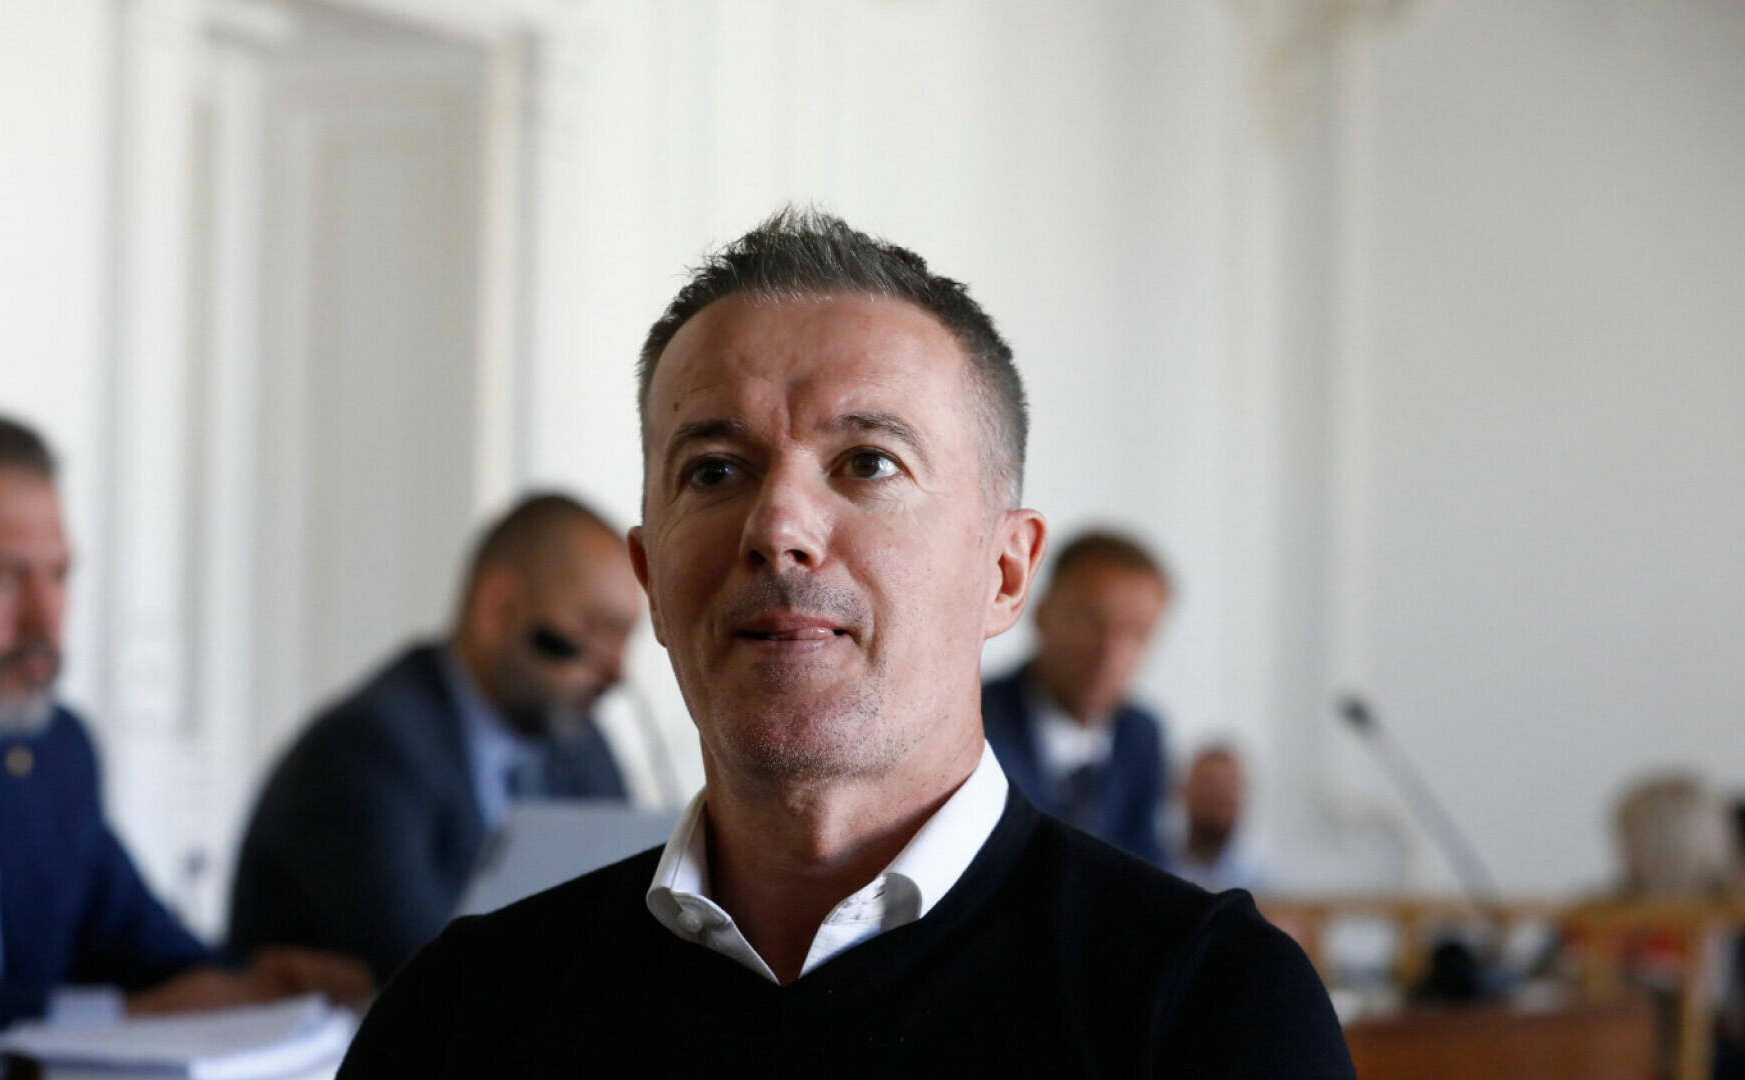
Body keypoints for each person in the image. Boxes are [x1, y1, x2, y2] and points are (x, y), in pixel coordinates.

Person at [338, 208, 1353, 1075]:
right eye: (713, 469)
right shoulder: (457, 1016)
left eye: (868, 463)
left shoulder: (1210, 1008)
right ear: (652, 581)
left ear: (1005, 574)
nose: (777, 525)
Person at [0, 414, 369, 1037]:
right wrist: (112, 1014)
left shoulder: (57, 749)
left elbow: (137, 936)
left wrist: (249, 983)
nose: (44, 617)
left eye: (58, 575)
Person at [228, 494, 640, 983]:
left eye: (625, 639)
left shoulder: (581, 746)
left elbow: (626, 923)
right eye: (595, 630)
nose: (616, 671)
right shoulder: (367, 751)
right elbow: (430, 977)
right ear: (498, 608)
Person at [982, 530, 1172, 864]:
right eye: (1092, 622)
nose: (1111, 653)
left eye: (1136, 632)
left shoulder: (1141, 737)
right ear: (1041, 614)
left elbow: (1149, 866)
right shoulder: (976, 724)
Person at [1169, 744, 1261, 893]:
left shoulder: (1262, 885)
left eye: (1227, 789)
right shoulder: (1158, 870)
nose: (1218, 797)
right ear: (1184, 792)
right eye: (1208, 786)